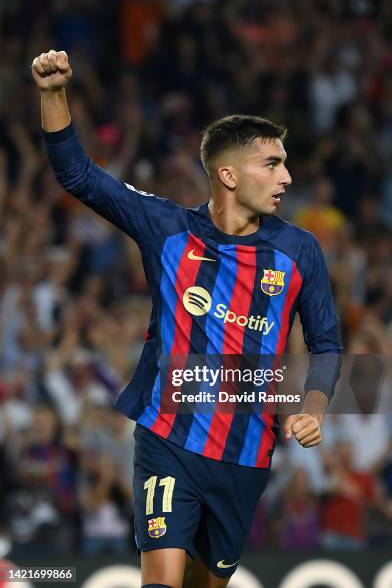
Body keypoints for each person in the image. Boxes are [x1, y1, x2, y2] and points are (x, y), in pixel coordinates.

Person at [32, 50, 342, 588]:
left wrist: (314, 407)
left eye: (285, 163)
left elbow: (328, 344)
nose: (288, 177)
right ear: (227, 174)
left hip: (246, 456)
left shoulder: (300, 251)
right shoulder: (168, 229)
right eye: (272, 164)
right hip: (168, 439)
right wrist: (54, 95)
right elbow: (78, 175)